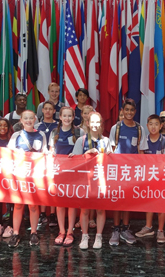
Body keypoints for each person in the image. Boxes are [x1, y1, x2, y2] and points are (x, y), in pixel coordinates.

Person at [109, 98, 148, 246]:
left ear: (135, 112)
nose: (129, 113)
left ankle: (125, 228)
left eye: (132, 110)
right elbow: (111, 150)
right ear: (122, 111)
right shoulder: (116, 128)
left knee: (127, 201)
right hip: (118, 170)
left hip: (132, 171)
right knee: (117, 200)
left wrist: (141, 170)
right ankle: (116, 229)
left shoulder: (139, 129)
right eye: (126, 110)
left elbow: (141, 151)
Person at [69, 112, 112, 249]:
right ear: (87, 123)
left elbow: (112, 161)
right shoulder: (81, 141)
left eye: (97, 122)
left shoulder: (105, 141)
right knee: (85, 210)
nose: (95, 125)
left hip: (100, 180)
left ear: (101, 124)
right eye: (92, 122)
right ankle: (85, 235)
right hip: (84, 181)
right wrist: (85, 155)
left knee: (100, 210)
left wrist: (104, 156)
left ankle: (98, 236)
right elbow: (74, 162)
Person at [6, 110, 48, 247]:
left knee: (33, 205)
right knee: (18, 204)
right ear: (21, 120)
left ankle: (34, 233)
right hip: (20, 175)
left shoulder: (41, 134)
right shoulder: (16, 135)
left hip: (35, 175)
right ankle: (16, 233)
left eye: (31, 118)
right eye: (26, 118)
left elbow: (45, 152)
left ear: (35, 119)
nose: (29, 120)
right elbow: (9, 153)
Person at [49, 107, 85, 247]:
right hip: (58, 172)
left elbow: (83, 152)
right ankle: (61, 231)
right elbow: (50, 149)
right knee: (60, 203)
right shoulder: (54, 132)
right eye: (64, 116)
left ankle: (70, 232)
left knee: (71, 202)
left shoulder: (79, 132)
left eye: (70, 116)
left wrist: (76, 156)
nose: (67, 118)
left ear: (73, 117)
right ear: (60, 117)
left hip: (73, 172)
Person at [135, 114, 165, 244]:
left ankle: (160, 230)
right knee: (149, 202)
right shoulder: (143, 140)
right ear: (147, 126)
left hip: (162, 178)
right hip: (148, 177)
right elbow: (141, 160)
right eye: (151, 124)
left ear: (161, 126)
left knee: (161, 204)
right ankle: (148, 226)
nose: (153, 127)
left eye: (156, 124)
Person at [34, 101, 59, 228]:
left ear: (54, 111)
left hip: (56, 160)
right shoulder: (37, 125)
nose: (48, 111)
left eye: (51, 109)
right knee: (43, 185)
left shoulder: (58, 125)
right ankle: (43, 213)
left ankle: (53, 214)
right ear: (42, 110)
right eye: (46, 109)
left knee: (53, 186)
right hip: (40, 159)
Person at [0, 118, 15, 237]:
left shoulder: (13, 139)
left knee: (12, 201)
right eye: (0, 125)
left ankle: (10, 226)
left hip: (11, 174)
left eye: (5, 125)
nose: (2, 128)